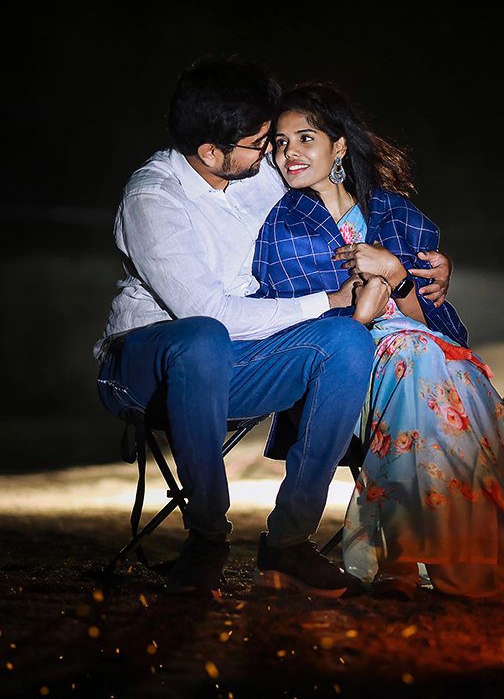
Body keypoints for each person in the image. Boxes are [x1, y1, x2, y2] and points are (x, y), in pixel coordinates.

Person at [253, 85, 504, 601]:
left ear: (339, 146)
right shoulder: (285, 223)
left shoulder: (394, 212)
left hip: (418, 349)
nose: (289, 153)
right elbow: (292, 319)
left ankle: (419, 560)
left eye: (305, 137)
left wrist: (395, 273)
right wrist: (361, 308)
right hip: (337, 355)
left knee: (457, 373)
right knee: (422, 364)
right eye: (279, 143)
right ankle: (408, 559)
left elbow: (442, 326)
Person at [95, 59, 379, 598]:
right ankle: (206, 536)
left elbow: (343, 200)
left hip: (239, 361)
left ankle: (290, 542)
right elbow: (208, 311)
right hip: (146, 365)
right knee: (202, 337)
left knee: (346, 341)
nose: (272, 152)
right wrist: (325, 300)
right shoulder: (153, 196)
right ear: (210, 152)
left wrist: (410, 261)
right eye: (258, 143)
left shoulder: (253, 172)